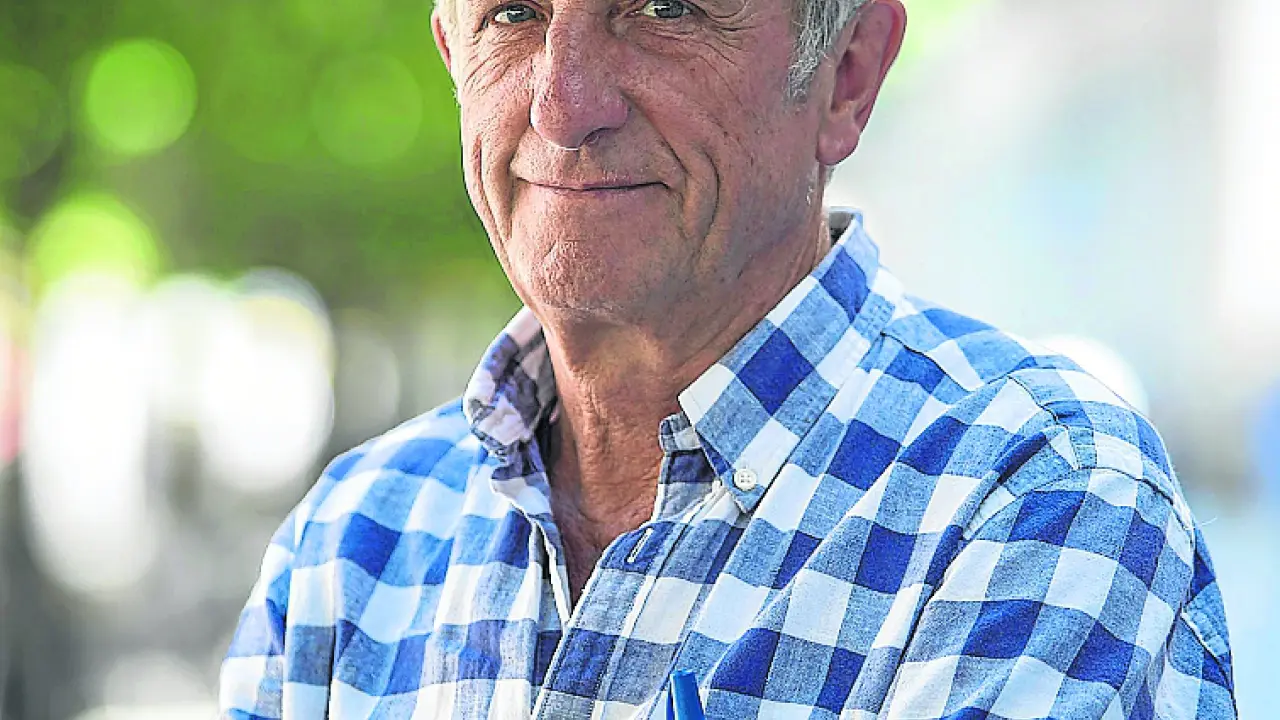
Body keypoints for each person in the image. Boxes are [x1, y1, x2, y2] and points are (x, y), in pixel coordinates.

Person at [220, 0, 1237, 715]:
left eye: (663, 8)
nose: (562, 105)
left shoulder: (1036, 499)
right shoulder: (352, 543)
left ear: (847, 73)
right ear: (453, 51)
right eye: (513, 14)